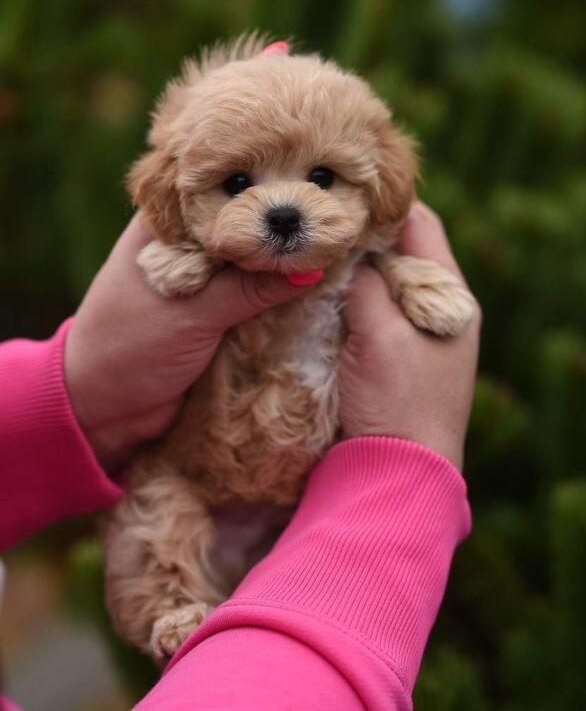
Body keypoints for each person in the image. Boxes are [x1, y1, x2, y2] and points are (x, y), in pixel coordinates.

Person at [0, 201, 480, 710]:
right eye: (237, 184)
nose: (283, 205)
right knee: (158, 514)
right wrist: (396, 479)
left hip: (292, 507)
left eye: (321, 177)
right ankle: (173, 607)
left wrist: (83, 389)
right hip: (208, 494)